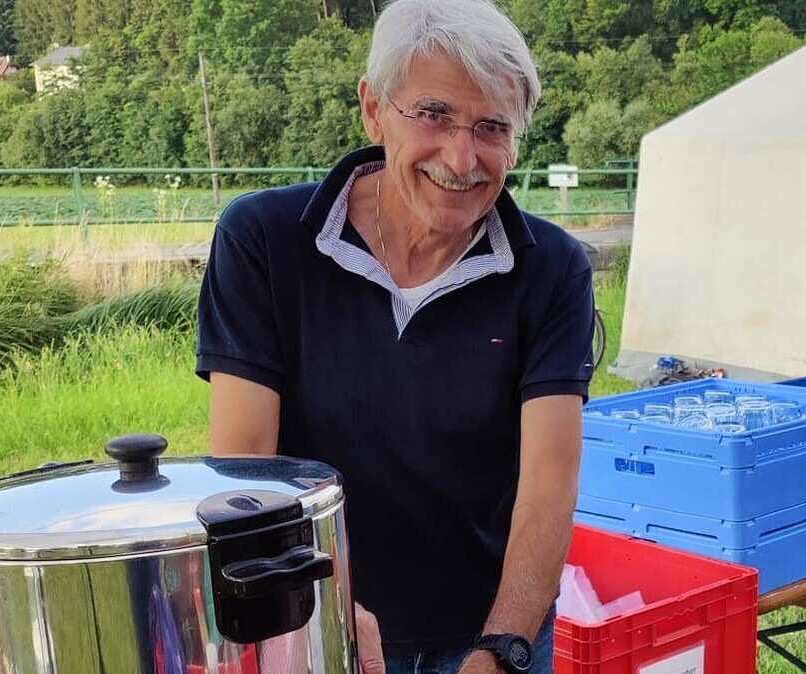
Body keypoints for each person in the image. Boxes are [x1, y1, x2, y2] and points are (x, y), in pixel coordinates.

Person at [195, 0, 596, 672]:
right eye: (433, 114)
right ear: (374, 109)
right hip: (318, 619)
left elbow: (549, 483)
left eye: (492, 127)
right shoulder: (263, 240)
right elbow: (247, 471)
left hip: (491, 627)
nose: (462, 158)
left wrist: (501, 649)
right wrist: (322, 609)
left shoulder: (551, 269)